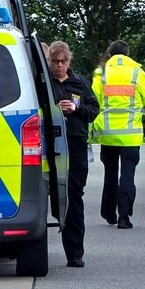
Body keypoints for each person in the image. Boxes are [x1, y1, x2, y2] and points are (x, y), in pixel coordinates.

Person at [92, 40, 145, 230]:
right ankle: (124, 217)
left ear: (109, 55)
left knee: (110, 174)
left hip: (107, 135)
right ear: (128, 55)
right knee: (128, 175)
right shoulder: (137, 73)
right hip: (131, 137)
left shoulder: (101, 74)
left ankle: (108, 213)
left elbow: (93, 100)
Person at [46, 41, 100, 268]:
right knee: (55, 197)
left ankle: (75, 253)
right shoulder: (43, 83)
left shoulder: (80, 83)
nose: (60, 66)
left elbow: (93, 110)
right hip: (50, 144)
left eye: (64, 61)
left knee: (74, 196)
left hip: (75, 145)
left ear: (69, 61)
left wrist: (76, 109)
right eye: (56, 62)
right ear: (49, 61)